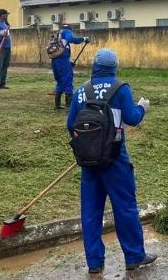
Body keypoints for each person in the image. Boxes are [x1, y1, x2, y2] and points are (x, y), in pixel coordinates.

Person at [66, 49, 156, 273]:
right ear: (114, 67)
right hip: (115, 159)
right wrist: (142, 107)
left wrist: (90, 145)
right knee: (125, 207)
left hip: (89, 162)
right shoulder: (121, 89)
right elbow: (132, 119)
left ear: (95, 66)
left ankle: (95, 263)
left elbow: (71, 125)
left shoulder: (81, 91)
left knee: (90, 212)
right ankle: (134, 256)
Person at [50, 24, 90, 110]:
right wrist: (83, 39)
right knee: (68, 79)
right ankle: (69, 106)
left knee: (60, 81)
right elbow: (71, 39)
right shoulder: (66, 32)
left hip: (54, 60)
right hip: (62, 60)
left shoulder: (58, 33)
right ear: (70, 29)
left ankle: (57, 105)